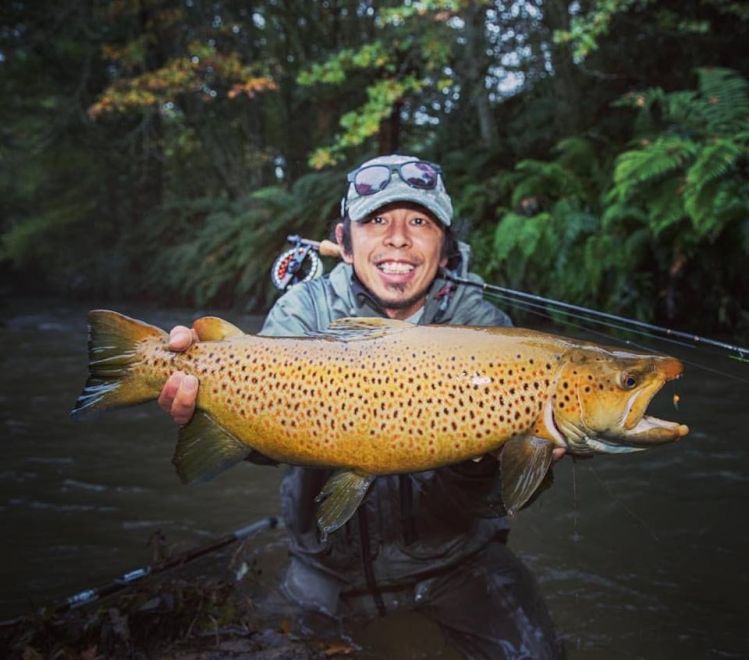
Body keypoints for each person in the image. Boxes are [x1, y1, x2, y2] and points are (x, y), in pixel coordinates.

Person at [158, 154, 565, 659]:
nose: (398, 238)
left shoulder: (486, 329)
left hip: (456, 564)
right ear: (345, 243)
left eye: (419, 221)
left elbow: (497, 499)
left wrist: (507, 457)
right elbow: (268, 435)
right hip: (323, 570)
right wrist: (207, 404)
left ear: (444, 248)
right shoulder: (305, 311)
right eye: (376, 221)